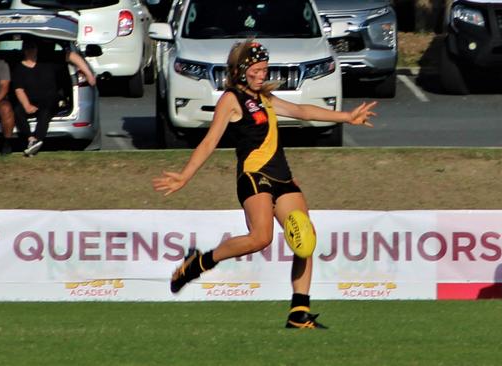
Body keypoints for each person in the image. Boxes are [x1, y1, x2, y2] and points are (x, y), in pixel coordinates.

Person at [153, 40, 377, 329]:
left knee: (305, 239)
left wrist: (347, 116)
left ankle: (299, 313)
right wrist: (185, 175)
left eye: (265, 69)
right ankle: (199, 263)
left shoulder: (265, 98)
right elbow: (210, 141)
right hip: (254, 176)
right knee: (261, 238)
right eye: (257, 70)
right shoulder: (231, 99)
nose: (262, 75)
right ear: (241, 70)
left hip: (283, 176)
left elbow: (303, 112)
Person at [12, 37, 96, 156]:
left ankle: (37, 139)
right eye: (28, 48)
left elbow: (72, 56)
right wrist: (27, 105)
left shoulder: (49, 60)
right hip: (30, 100)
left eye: (33, 48)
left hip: (50, 99)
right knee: (18, 111)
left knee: (45, 111)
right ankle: (31, 139)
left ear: (37, 49)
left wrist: (88, 74)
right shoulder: (18, 68)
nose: (31, 50)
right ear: (23, 50)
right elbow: (18, 89)